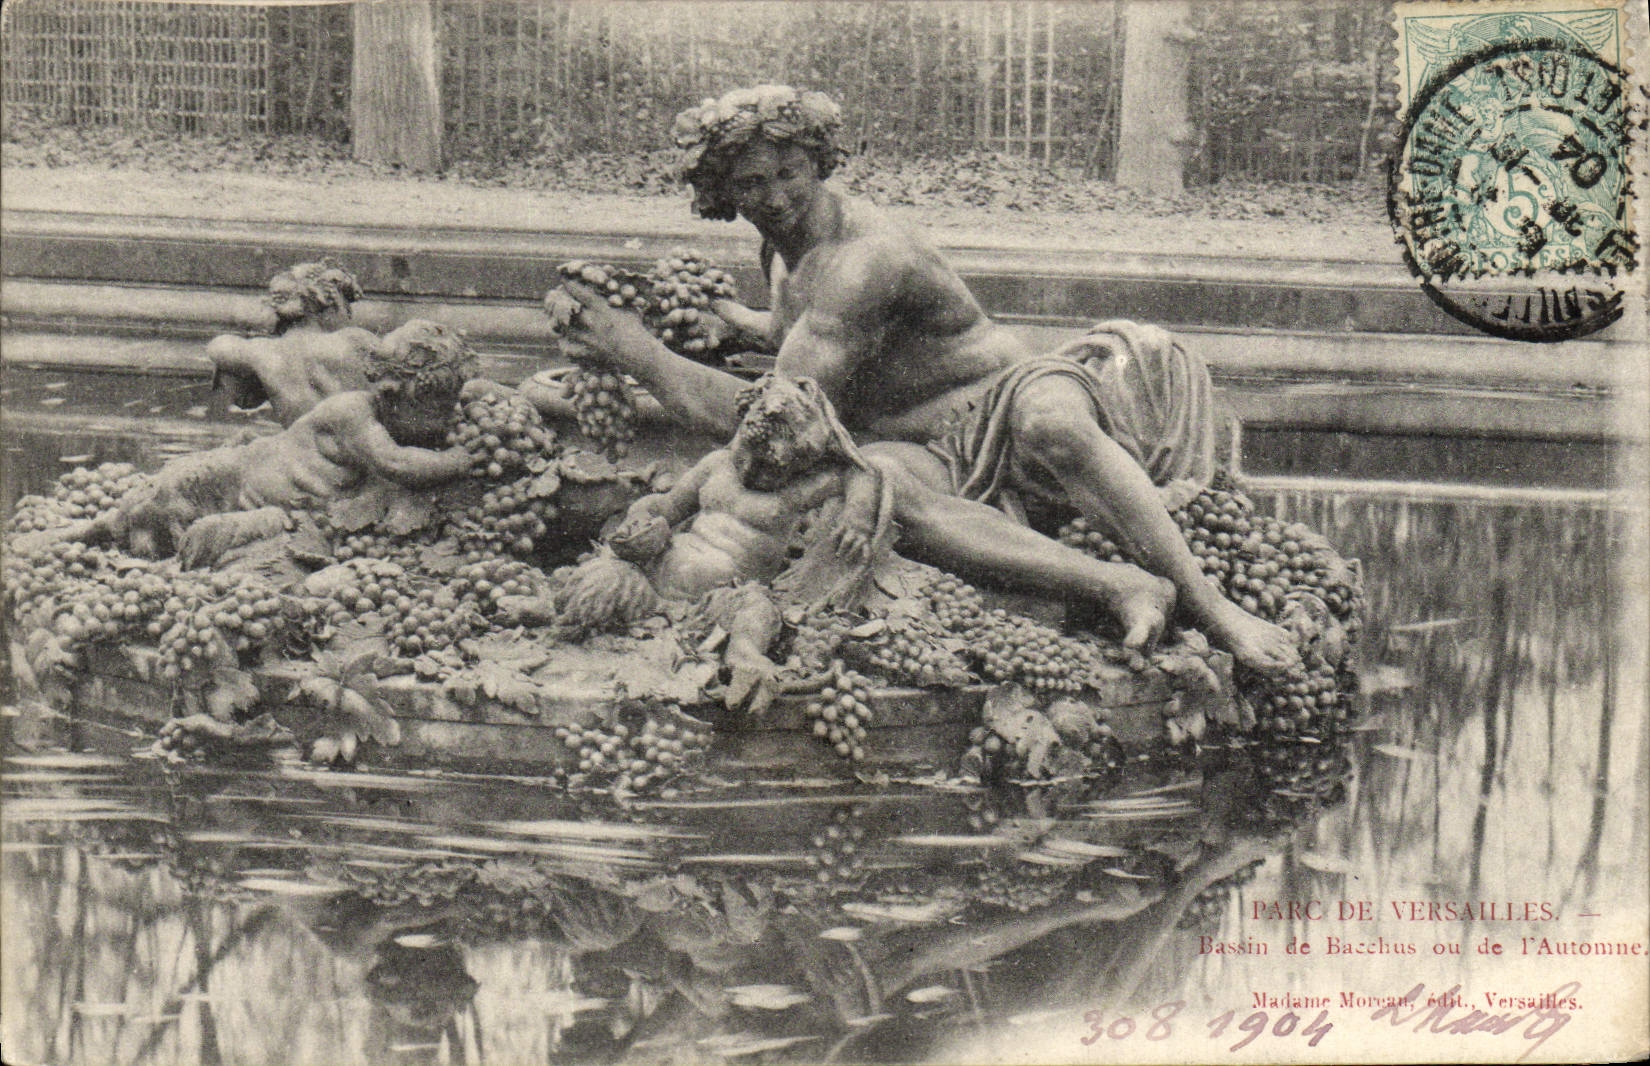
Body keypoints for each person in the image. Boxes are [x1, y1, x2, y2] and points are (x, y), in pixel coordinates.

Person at [553, 85, 1298, 672]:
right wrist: (736, 324)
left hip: (1008, 401)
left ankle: (1210, 605)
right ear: (724, 191)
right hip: (924, 443)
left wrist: (636, 351)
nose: (776, 196)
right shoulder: (784, 249)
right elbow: (800, 339)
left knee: (1053, 425)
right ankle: (1125, 586)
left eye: (791, 174)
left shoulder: (863, 259)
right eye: (752, 183)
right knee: (878, 492)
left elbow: (769, 419)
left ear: (818, 164)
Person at [44, 319, 475, 567]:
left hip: (264, 489)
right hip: (237, 483)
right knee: (154, 516)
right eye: (433, 406)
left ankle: (93, 535)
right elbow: (398, 465)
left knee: (156, 519)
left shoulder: (390, 410)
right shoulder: (353, 413)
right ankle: (81, 537)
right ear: (392, 391)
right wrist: (459, 460)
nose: (441, 418)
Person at [207, 258, 376, 426]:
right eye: (346, 307)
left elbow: (219, 350)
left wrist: (264, 323)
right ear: (330, 306)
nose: (348, 316)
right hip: (354, 445)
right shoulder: (355, 339)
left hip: (299, 447)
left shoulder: (263, 351)